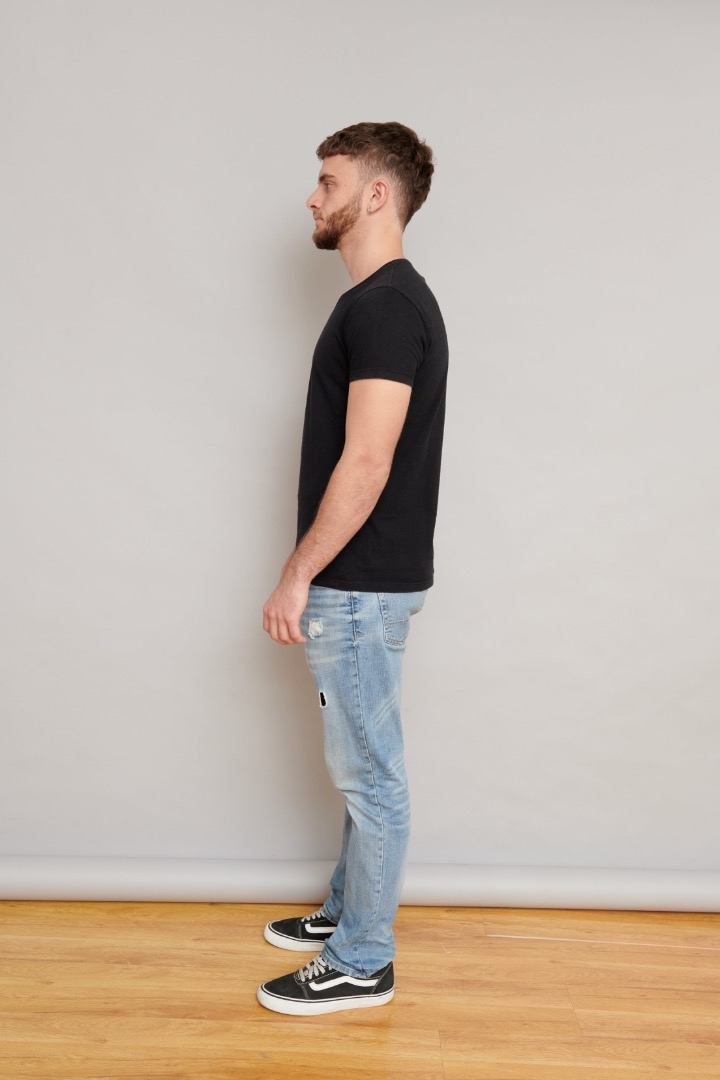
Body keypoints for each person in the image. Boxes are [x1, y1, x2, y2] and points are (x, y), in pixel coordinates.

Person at [258, 121, 448, 1016]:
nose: (311, 195)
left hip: (359, 585)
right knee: (362, 767)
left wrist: (297, 574)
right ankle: (346, 912)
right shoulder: (384, 302)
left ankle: (363, 959)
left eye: (328, 181)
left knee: (371, 777)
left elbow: (367, 461)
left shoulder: (385, 306)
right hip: (369, 582)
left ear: (377, 194)